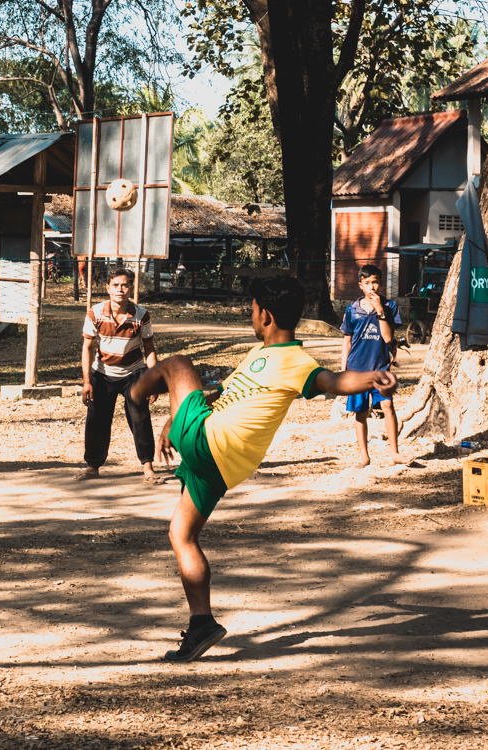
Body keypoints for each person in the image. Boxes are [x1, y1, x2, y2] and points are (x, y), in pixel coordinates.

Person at [130, 276, 397, 661]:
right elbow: (222, 395)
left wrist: (371, 377)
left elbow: (335, 380)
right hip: (220, 461)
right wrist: (175, 419)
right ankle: (202, 624)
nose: (250, 315)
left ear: (266, 315)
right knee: (181, 535)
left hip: (214, 442)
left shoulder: (296, 361)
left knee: (178, 364)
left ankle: (133, 397)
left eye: (252, 309)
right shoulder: (259, 355)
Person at [76, 269, 161, 484]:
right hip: (103, 373)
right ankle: (92, 466)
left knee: (139, 417)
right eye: (115, 285)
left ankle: (148, 467)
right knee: (97, 419)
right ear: (107, 288)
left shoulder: (142, 314)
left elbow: (149, 349)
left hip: (133, 371)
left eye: (124, 285)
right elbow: (87, 348)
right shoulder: (95, 313)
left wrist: (154, 381)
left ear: (130, 288)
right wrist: (87, 382)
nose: (120, 289)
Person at [340, 264, 409, 467]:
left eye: (376, 282)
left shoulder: (390, 307)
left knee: (387, 405)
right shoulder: (352, 309)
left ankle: (395, 453)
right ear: (361, 285)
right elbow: (347, 341)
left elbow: (388, 338)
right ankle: (364, 457)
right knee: (361, 411)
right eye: (368, 283)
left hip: (380, 367)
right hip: (357, 369)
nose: (372, 287)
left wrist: (380, 310)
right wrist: (343, 371)